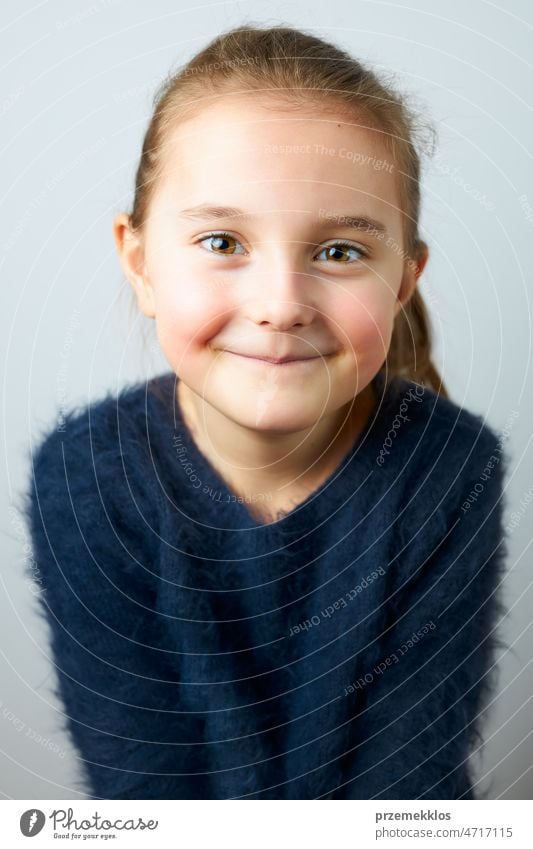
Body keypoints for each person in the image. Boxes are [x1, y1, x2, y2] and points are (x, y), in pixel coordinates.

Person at [20, 23, 508, 800]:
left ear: (402, 280)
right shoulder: (85, 476)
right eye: (222, 241)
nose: (280, 305)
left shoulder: (448, 466)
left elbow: (407, 790)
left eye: (340, 252)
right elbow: (144, 786)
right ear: (142, 263)